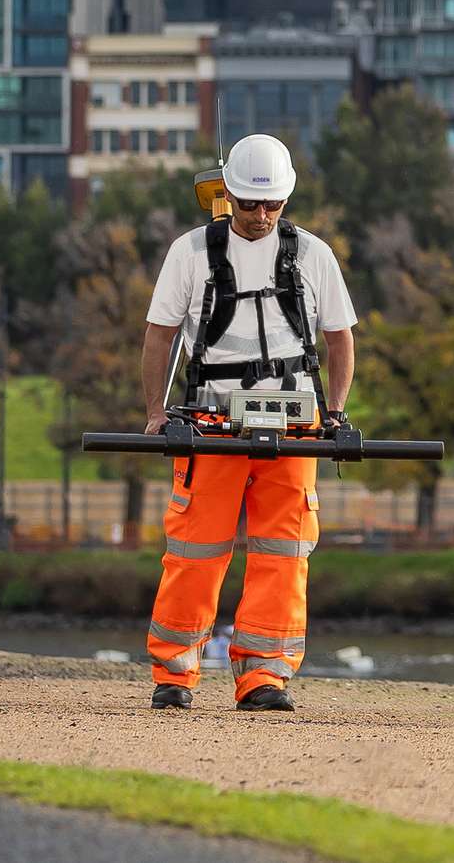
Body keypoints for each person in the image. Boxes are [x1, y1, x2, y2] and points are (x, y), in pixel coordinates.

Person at [138, 134, 356, 712]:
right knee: (194, 549)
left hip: (293, 426)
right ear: (227, 194)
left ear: (286, 200)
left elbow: (340, 339)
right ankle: (175, 673)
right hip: (209, 420)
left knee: (283, 552)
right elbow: (159, 335)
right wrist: (157, 413)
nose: (260, 217)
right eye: (250, 205)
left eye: (272, 205)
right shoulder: (189, 253)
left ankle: (264, 676)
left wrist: (334, 413)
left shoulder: (313, 255)